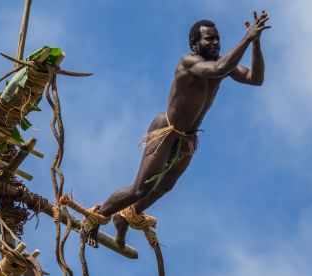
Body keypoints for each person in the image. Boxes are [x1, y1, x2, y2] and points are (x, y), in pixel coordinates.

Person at [84, 12, 271, 247]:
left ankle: (126, 216)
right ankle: (96, 217)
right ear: (195, 45)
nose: (215, 43)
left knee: (165, 186)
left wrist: (255, 43)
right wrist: (246, 38)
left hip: (188, 137)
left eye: (217, 39)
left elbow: (256, 79)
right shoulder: (190, 63)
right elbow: (218, 69)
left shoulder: (223, 63)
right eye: (209, 39)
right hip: (167, 130)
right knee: (140, 188)